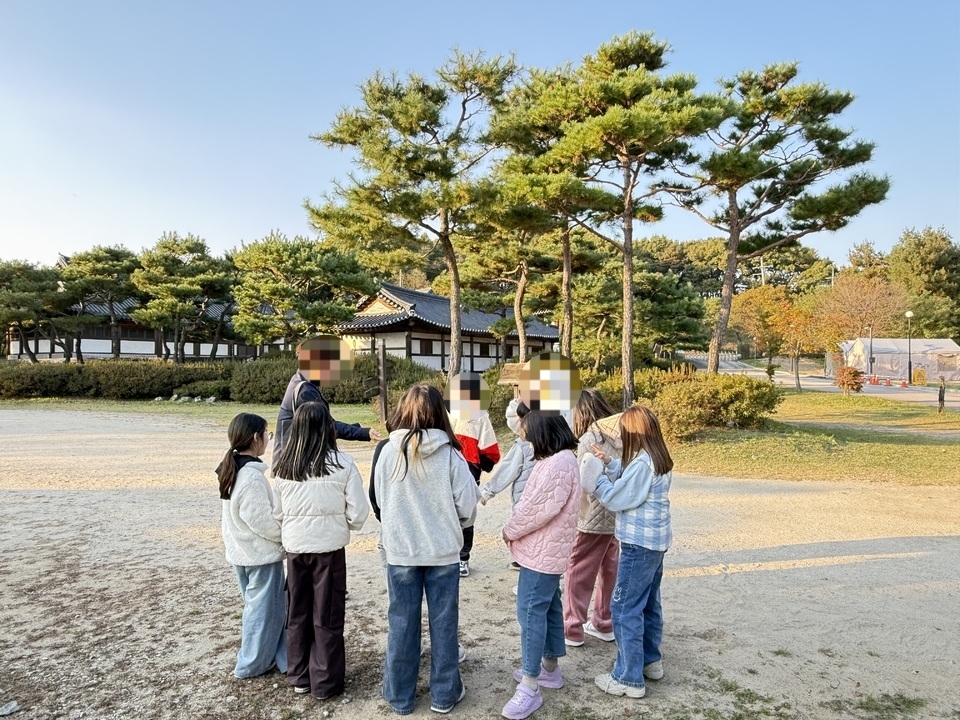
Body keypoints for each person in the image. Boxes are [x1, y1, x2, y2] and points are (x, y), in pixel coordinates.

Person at [374, 384, 479, 715]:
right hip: (443, 551)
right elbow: (468, 505)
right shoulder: (451, 454)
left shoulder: (387, 451)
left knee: (402, 622)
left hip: (401, 550)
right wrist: (453, 523)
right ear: (440, 413)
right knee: (444, 624)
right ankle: (444, 694)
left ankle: (400, 695)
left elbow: (378, 498)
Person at [272, 401, 370, 699]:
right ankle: (325, 682)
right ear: (329, 428)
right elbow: (359, 512)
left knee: (297, 611)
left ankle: (299, 675)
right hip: (328, 549)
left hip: (296, 548)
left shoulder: (282, 466)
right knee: (326, 613)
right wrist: (343, 525)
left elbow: (277, 512)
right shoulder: (343, 464)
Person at [583, 405, 673, 699]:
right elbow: (629, 483)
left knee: (623, 608)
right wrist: (609, 463)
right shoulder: (656, 459)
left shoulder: (640, 465)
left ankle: (628, 677)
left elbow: (617, 497)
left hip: (638, 546)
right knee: (648, 604)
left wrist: (595, 478)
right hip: (655, 543)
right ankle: (650, 661)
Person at [500, 413, 580, 720]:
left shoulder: (557, 464)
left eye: (528, 436)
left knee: (530, 611)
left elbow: (537, 510)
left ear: (543, 434)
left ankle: (530, 687)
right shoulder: (562, 459)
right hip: (547, 551)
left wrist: (510, 529)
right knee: (547, 607)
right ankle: (549, 668)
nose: (526, 441)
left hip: (542, 552)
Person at [217, 412, 286, 679]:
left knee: (261, 610)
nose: (268, 440)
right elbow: (262, 521)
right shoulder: (250, 477)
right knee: (263, 614)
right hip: (259, 557)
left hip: (242, 553)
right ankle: (251, 664)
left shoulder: (232, 468)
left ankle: (273, 657)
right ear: (256, 438)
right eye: (267, 434)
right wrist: (285, 536)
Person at [562, 389, 621, 647]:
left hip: (592, 517)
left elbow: (583, 483)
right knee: (610, 570)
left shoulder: (590, 438)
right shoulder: (622, 437)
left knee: (579, 570)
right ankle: (604, 621)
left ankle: (572, 627)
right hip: (617, 515)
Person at [273, 338, 381, 471]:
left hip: (296, 459)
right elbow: (325, 425)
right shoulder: (304, 390)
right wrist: (362, 432)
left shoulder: (304, 383)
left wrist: (358, 429)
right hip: (293, 463)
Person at [448, 382, 500, 578]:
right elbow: (491, 451)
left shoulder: (480, 417)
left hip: (466, 470)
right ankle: (456, 557)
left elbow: (490, 448)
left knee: (464, 514)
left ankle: (462, 557)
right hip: (456, 468)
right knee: (456, 512)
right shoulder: (450, 413)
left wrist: (478, 467)